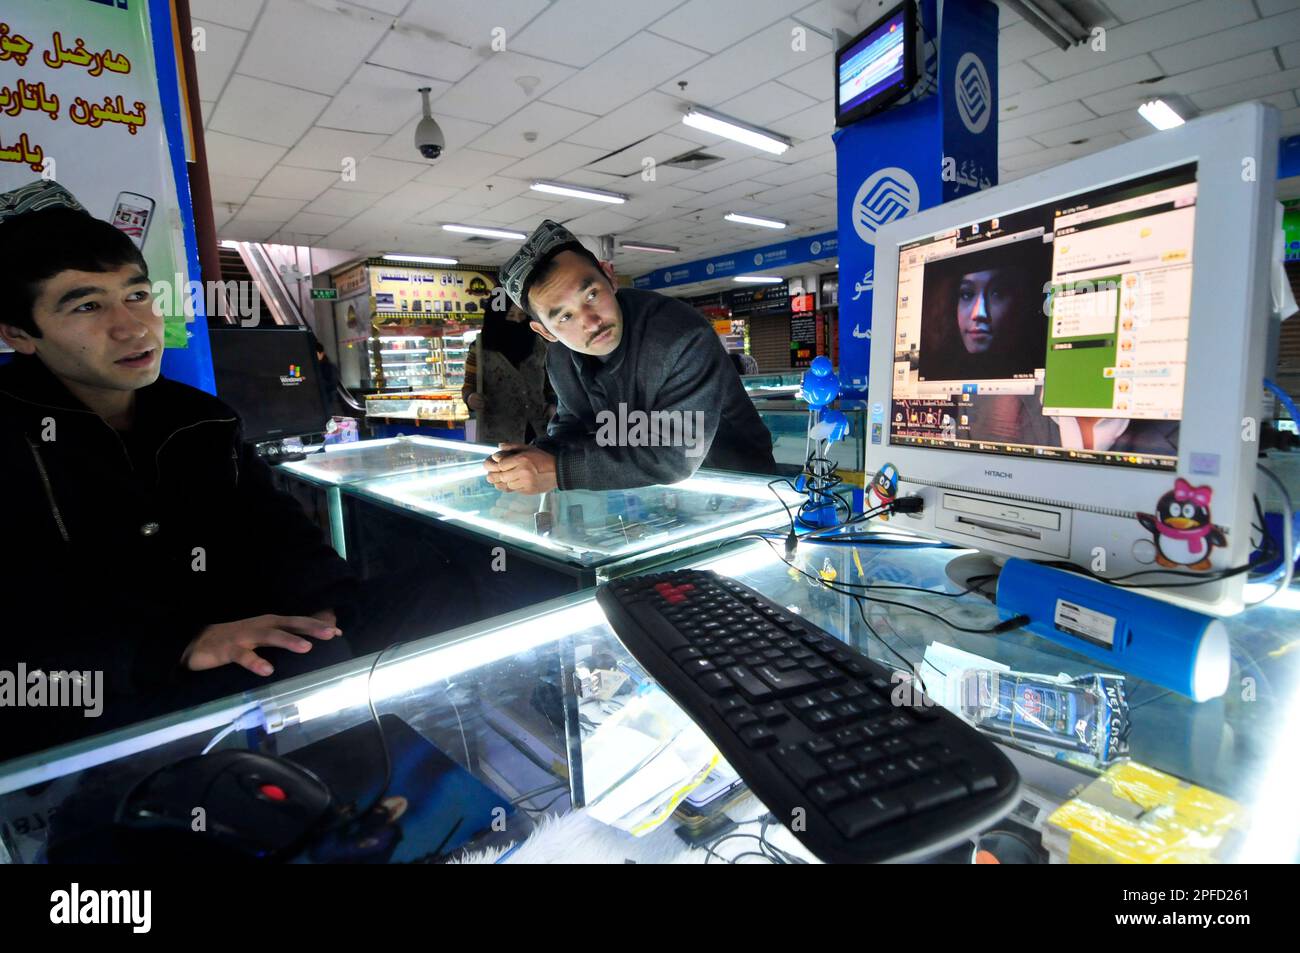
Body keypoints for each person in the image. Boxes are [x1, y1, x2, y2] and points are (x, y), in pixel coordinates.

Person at [0, 181, 356, 760]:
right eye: (87, 306)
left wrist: (330, 606)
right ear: (18, 333)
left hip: (232, 704)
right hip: (74, 739)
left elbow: (275, 532)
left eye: (137, 295)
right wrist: (174, 647)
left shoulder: (202, 421)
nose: (133, 326)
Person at [482, 220, 776, 494]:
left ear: (610, 277)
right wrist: (533, 455)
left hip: (737, 486)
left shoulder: (681, 337)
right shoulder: (561, 355)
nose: (590, 321)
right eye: (565, 317)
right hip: (654, 494)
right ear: (545, 332)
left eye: (592, 295)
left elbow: (675, 457)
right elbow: (574, 423)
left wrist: (559, 470)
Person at [461, 297, 555, 446]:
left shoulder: (540, 345)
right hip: (499, 436)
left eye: (522, 315)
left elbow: (551, 383)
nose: (517, 321)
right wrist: (471, 398)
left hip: (539, 431)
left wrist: (552, 403)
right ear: (498, 318)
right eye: (510, 316)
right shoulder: (479, 349)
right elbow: (469, 386)